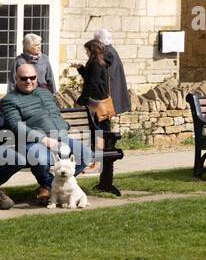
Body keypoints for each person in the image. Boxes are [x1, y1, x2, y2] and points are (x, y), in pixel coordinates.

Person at [1, 64, 96, 205]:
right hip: (32, 141)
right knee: (40, 157)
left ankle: (49, 186)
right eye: (24, 78)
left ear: (36, 78)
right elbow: (15, 126)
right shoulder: (10, 100)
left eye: (32, 77)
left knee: (85, 154)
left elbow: (55, 114)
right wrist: (43, 139)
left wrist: (64, 128)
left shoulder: (45, 93)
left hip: (60, 138)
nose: (28, 81)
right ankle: (51, 187)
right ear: (16, 79)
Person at [93, 28, 132, 115]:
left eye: (95, 41)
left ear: (100, 41)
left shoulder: (108, 52)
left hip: (109, 92)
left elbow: (108, 74)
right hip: (109, 91)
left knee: (104, 120)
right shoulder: (108, 50)